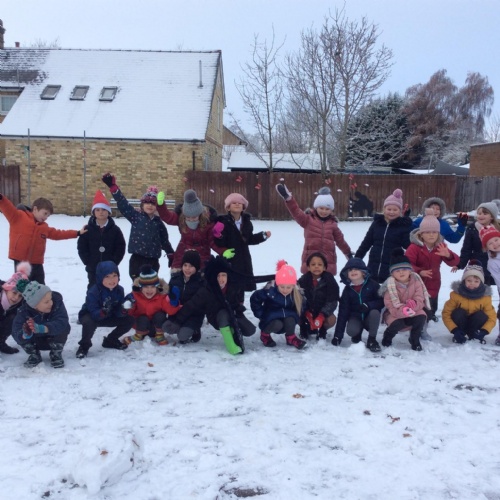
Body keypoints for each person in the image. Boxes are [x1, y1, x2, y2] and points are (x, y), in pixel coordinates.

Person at [0, 193, 87, 284]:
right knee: (22, 286)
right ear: (35, 209)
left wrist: (77, 233)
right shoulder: (18, 217)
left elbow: (59, 234)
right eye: (45, 213)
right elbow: (7, 207)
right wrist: (1, 198)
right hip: (20, 261)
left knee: (40, 286)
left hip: (37, 263)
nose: (46, 217)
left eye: (48, 216)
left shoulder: (44, 227)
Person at [101, 173, 174, 280]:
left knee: (150, 284)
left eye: (153, 203)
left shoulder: (159, 223)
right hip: (136, 259)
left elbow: (164, 241)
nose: (150, 205)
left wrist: (170, 253)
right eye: (147, 203)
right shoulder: (136, 216)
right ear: (142, 205)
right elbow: (123, 204)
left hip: (153, 260)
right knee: (137, 284)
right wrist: (114, 188)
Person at [275, 184, 351, 276]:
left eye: (327, 209)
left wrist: (348, 253)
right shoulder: (308, 220)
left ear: (331, 210)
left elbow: (340, 241)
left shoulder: (333, 225)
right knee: (308, 284)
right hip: (310, 262)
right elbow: (296, 212)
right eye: (321, 208)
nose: (324, 211)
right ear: (316, 207)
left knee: (327, 284)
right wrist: (289, 199)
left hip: (327, 264)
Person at [405, 209, 460, 333]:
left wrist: (448, 255)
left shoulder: (440, 247)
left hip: (433, 283)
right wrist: (419, 271)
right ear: (421, 234)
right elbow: (407, 264)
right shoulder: (414, 247)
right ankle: (416, 328)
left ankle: (425, 323)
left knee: (430, 307)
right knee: (418, 307)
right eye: (427, 232)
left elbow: (455, 262)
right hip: (416, 284)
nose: (431, 235)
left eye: (434, 232)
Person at [213, 192, 271, 301]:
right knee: (229, 285)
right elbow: (220, 243)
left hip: (243, 259)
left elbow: (249, 239)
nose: (237, 204)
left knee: (241, 286)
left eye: (240, 203)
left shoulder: (246, 223)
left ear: (243, 207)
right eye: (234, 202)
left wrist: (262, 236)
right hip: (230, 259)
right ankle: (227, 306)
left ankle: (239, 306)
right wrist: (218, 235)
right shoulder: (223, 222)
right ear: (228, 207)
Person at [156, 189, 229, 274]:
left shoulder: (208, 223)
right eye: (188, 217)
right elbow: (168, 217)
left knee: (201, 276)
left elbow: (212, 241)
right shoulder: (181, 218)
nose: (191, 220)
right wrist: (161, 206)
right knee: (178, 275)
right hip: (183, 252)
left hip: (202, 253)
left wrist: (223, 251)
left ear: (200, 215)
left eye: (194, 217)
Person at [76, 261, 134, 358]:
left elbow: (118, 311)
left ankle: (111, 340)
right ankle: (84, 346)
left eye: (115, 275)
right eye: (107, 276)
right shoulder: (93, 291)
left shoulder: (119, 290)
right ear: (100, 277)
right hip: (92, 316)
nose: (112, 280)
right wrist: (102, 312)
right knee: (88, 323)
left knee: (129, 320)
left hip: (109, 315)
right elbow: (92, 311)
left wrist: (123, 309)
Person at [355, 188, 413, 283]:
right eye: (389, 209)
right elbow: (366, 243)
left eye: (395, 209)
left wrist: (407, 227)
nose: (391, 212)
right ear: (384, 209)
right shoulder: (377, 223)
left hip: (392, 268)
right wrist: (357, 259)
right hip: (373, 266)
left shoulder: (402, 226)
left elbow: (408, 245)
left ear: (400, 211)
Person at [379, 249, 430, 352]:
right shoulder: (389, 286)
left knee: (422, 316)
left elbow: (420, 299)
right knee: (397, 323)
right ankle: (388, 336)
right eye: (397, 271)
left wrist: (414, 304)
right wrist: (403, 310)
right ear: (392, 274)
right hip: (394, 313)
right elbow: (390, 305)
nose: (401, 272)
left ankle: (414, 338)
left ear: (410, 270)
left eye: (404, 269)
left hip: (413, 310)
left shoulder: (416, 283)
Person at [12, 281, 70, 368]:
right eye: (46, 302)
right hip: (35, 340)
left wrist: (44, 328)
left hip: (52, 337)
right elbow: (15, 330)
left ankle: (56, 353)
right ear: (34, 305)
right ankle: (34, 354)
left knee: (65, 327)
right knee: (20, 331)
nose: (51, 303)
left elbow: (62, 321)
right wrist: (25, 334)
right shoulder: (24, 312)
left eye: (50, 299)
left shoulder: (57, 303)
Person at [250, 260, 306, 350]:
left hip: (287, 318)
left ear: (293, 286)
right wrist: (260, 314)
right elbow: (255, 299)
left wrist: (298, 315)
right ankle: (265, 335)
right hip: (271, 319)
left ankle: (291, 337)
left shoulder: (296, 294)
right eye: (282, 287)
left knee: (291, 319)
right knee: (277, 324)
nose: (285, 290)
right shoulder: (270, 291)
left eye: (288, 287)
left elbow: (302, 305)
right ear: (277, 284)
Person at [332, 257, 384, 351]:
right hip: (356, 317)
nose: (353, 271)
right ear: (347, 274)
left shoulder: (373, 285)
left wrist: (369, 305)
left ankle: (372, 339)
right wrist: (337, 336)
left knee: (375, 313)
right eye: (350, 270)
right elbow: (343, 313)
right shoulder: (347, 291)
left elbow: (381, 301)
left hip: (370, 318)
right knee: (351, 331)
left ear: (363, 272)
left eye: (356, 269)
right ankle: (357, 334)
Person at [121, 265, 181, 347]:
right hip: (140, 326)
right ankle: (138, 336)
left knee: (160, 315)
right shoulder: (135, 296)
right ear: (140, 287)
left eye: (152, 287)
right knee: (142, 318)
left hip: (156, 328)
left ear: (157, 287)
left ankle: (160, 335)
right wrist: (128, 306)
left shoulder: (162, 296)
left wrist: (174, 302)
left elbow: (170, 312)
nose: (149, 290)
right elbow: (129, 314)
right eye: (146, 287)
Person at [77, 190, 126, 288]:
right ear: (93, 212)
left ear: (108, 212)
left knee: (111, 288)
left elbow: (120, 247)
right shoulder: (87, 229)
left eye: (103, 209)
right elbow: (82, 247)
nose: (101, 212)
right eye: (97, 210)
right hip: (93, 268)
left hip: (110, 268)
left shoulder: (115, 230)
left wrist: (114, 262)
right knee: (93, 288)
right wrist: (88, 261)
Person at [442, 260, 497, 344]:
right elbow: (446, 313)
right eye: (469, 280)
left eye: (476, 281)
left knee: (481, 315)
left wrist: (484, 330)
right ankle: (460, 334)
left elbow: (492, 317)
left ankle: (475, 334)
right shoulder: (456, 294)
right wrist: (454, 329)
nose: (472, 283)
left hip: (475, 324)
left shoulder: (485, 297)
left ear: (481, 282)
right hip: (460, 324)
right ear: (464, 280)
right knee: (458, 312)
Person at [162, 250, 207, 344]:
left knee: (182, 336)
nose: (187, 268)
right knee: (165, 327)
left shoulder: (201, 283)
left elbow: (194, 306)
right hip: (177, 313)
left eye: (191, 266)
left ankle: (194, 330)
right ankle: (182, 328)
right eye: (185, 265)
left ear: (196, 267)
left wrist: (178, 322)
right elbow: (169, 298)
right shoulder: (175, 279)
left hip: (193, 315)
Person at [453, 200, 500, 286]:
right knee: (478, 287)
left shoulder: (497, 228)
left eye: (485, 214)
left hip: (495, 263)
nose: (481, 216)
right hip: (478, 264)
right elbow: (466, 249)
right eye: (479, 213)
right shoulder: (472, 229)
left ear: (492, 217)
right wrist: (460, 264)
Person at [297, 252, 339, 341]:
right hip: (307, 312)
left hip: (322, 311)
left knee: (331, 320)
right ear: (308, 267)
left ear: (324, 267)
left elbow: (332, 301)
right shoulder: (303, 280)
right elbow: (298, 298)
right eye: (313, 264)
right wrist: (306, 312)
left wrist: (322, 315)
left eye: (320, 265)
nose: (316, 267)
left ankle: (322, 331)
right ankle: (303, 328)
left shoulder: (330, 281)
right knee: (295, 312)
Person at [0, 262, 31, 354]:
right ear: (6, 289)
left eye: (20, 296)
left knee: (14, 318)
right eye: (14, 293)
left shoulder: (18, 305)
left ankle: (0, 342)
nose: (16, 298)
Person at [479, 225, 500, 345]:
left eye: (496, 240)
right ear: (486, 247)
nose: (495, 244)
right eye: (490, 243)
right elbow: (498, 279)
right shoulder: (492, 263)